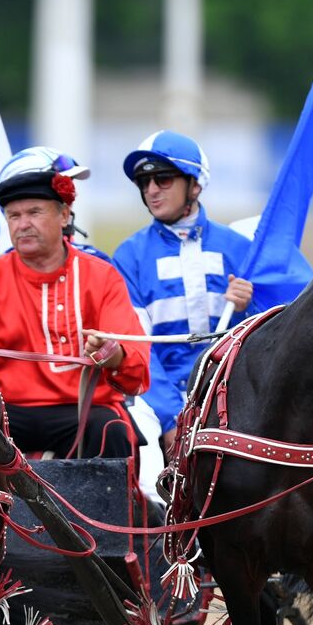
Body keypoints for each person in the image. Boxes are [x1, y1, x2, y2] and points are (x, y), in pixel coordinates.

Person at [0, 147, 149, 458]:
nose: (22, 224)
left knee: (111, 427)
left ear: (64, 214)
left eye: (34, 212)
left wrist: (113, 354)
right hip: (7, 411)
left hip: (83, 410)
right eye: (14, 216)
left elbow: (135, 367)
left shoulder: (102, 276)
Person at [111, 131, 261, 452]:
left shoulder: (239, 248)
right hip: (154, 401)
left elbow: (267, 337)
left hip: (230, 391)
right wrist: (169, 418)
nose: (151, 191)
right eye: (143, 182)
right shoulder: (129, 256)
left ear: (195, 184)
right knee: (146, 471)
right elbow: (137, 346)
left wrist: (248, 307)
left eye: (163, 179)